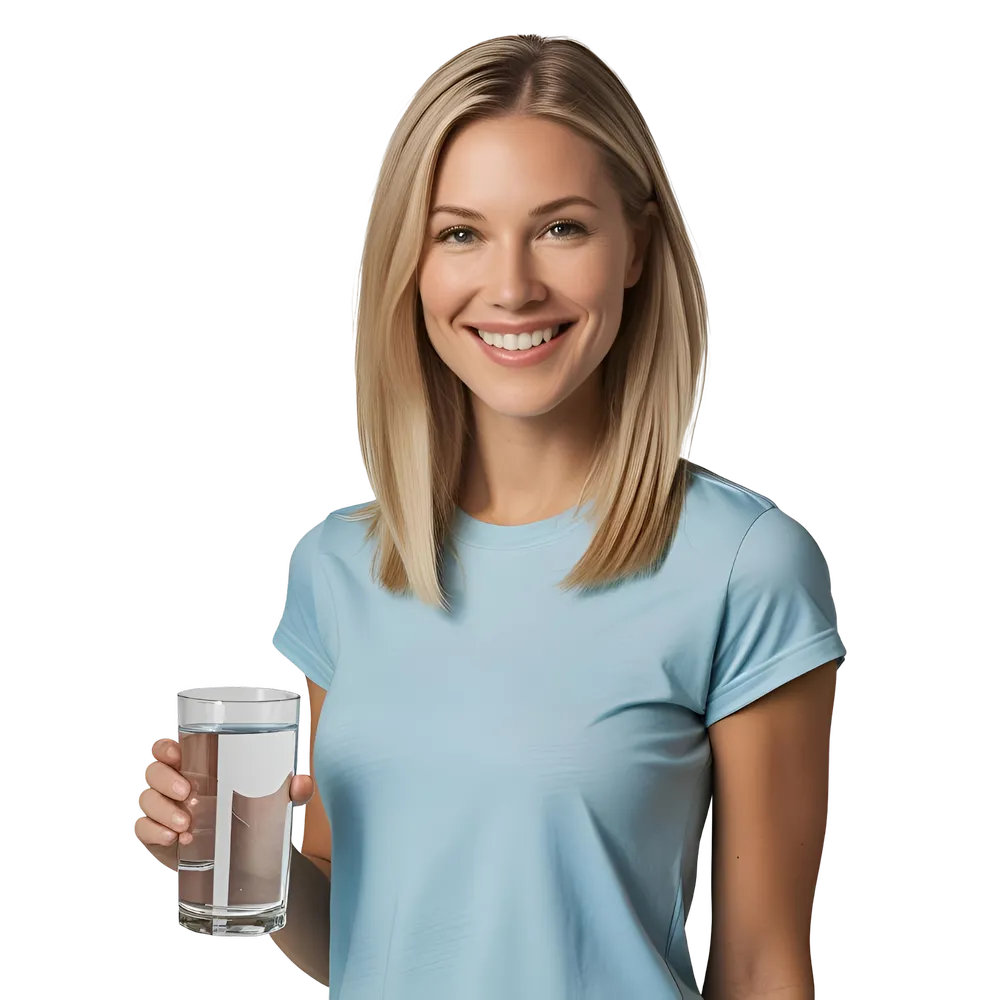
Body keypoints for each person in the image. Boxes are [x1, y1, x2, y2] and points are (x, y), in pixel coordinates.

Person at [135, 32, 846, 999]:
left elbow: (764, 965)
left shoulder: (742, 565)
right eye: (460, 232)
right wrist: (222, 856)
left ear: (636, 246)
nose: (511, 287)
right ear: (411, 265)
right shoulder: (340, 567)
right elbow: (363, 929)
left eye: (561, 228)